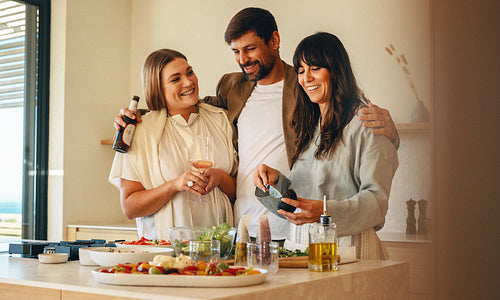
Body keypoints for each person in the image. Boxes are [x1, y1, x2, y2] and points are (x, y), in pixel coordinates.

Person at [114, 7, 399, 243]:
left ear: (274, 40)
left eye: (249, 48)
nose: (242, 59)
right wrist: (136, 117)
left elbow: (343, 113)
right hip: (241, 228)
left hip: (293, 229)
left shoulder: (302, 88)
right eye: (236, 51)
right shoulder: (232, 88)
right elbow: (185, 104)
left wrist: (390, 131)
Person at [253, 32, 399, 259]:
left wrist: (325, 212)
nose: (306, 78)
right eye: (301, 71)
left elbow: (377, 202)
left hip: (351, 251)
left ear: (335, 69)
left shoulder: (368, 121)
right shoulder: (308, 127)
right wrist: (276, 183)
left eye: (315, 68)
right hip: (301, 249)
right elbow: (306, 198)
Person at [109, 49, 237, 240]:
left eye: (190, 72)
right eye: (175, 79)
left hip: (219, 249)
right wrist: (175, 185)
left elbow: (238, 193)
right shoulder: (141, 131)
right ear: (157, 88)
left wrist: (220, 178)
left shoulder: (220, 119)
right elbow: (130, 207)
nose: (188, 82)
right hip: (167, 251)